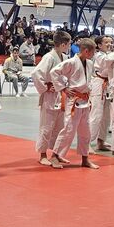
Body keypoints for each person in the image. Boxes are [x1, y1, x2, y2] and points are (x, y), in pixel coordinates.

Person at [50, 37, 99, 169]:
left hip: (85, 101)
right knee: (69, 130)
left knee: (85, 131)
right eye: (93, 51)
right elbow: (54, 72)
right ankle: (54, 156)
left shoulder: (89, 63)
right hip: (74, 100)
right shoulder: (71, 62)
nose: (94, 54)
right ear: (86, 51)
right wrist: (64, 88)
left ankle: (85, 158)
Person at [32, 29, 71, 165]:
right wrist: (46, 87)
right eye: (69, 44)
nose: (69, 46)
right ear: (63, 44)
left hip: (61, 95)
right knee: (46, 127)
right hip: (50, 96)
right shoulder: (49, 57)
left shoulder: (65, 57)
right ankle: (42, 155)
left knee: (60, 127)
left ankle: (56, 154)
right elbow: (36, 74)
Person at [89, 35, 114, 151]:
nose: (109, 44)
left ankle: (101, 141)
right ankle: (87, 143)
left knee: (106, 116)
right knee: (96, 115)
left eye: (111, 42)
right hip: (98, 83)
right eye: (106, 42)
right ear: (99, 45)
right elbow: (107, 62)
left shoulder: (109, 54)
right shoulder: (98, 55)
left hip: (108, 84)